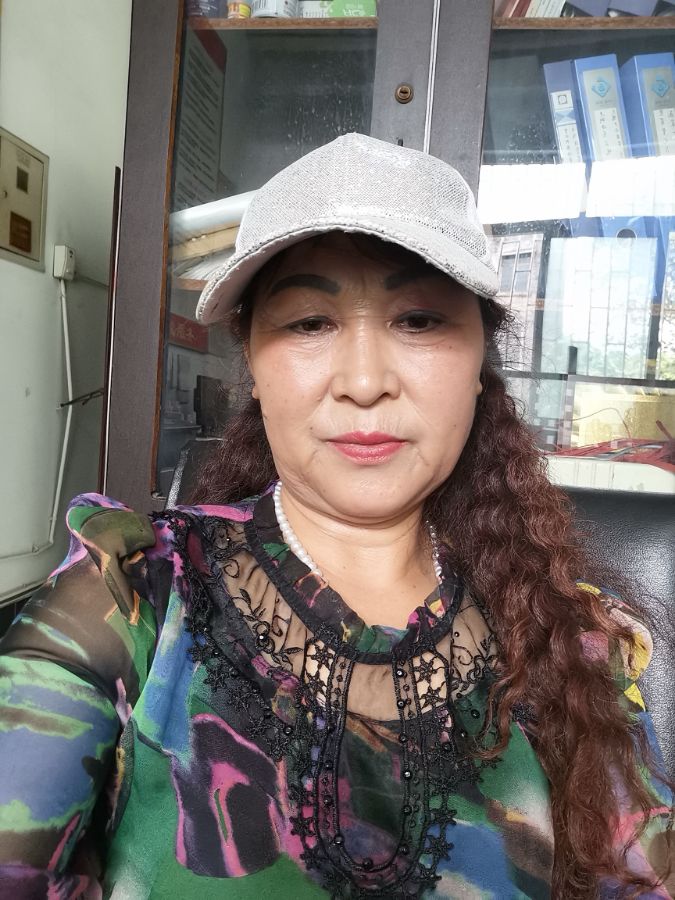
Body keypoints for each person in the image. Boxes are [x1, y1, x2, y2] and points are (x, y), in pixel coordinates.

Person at [0, 133, 672, 900]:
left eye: (418, 320)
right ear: (251, 361)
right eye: (309, 323)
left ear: (479, 368)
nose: (362, 380)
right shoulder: (132, 595)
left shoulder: (564, 635)